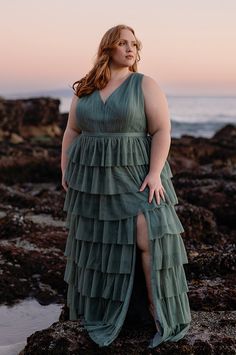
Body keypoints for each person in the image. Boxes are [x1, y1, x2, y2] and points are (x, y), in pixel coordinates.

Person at [61, 24, 191, 348]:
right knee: (99, 241)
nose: (130, 49)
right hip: (93, 180)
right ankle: (108, 309)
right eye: (123, 43)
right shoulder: (87, 88)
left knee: (148, 234)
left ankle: (157, 310)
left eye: (134, 44)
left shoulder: (144, 84)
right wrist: (66, 168)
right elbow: (71, 130)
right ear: (108, 48)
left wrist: (155, 173)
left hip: (136, 172)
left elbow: (162, 130)